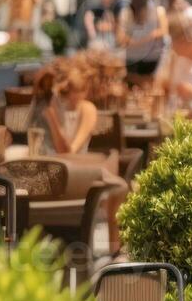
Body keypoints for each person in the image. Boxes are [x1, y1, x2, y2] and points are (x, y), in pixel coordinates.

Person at [29, 57, 129, 253]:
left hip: (75, 174)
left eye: (72, 92)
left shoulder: (87, 110)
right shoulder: (55, 105)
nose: (69, 97)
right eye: (65, 92)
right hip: (51, 173)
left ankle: (114, 251)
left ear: (83, 91)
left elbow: (68, 152)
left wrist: (53, 121)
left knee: (120, 187)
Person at [118, 0, 169, 81]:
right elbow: (120, 37)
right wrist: (141, 40)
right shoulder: (126, 13)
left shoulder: (158, 11)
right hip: (133, 59)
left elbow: (164, 31)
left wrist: (141, 40)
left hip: (152, 59)